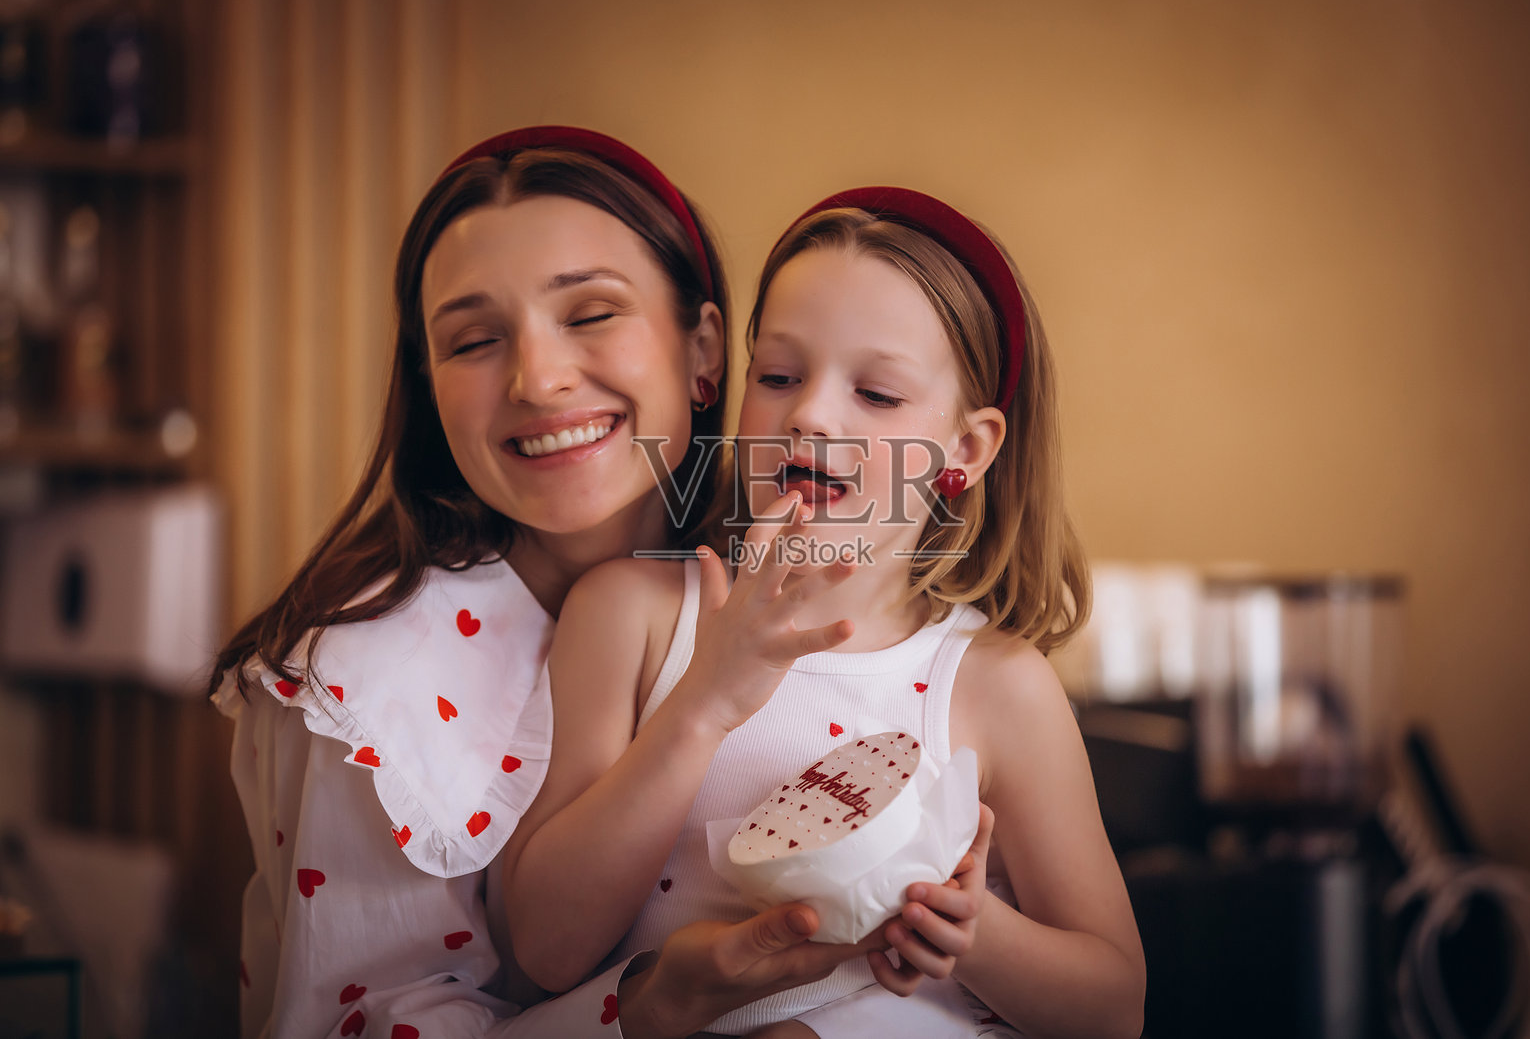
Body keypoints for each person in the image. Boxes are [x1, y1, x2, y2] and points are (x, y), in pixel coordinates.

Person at [210, 127, 892, 1039]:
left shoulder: (780, 597)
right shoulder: (361, 687)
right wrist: (647, 1011)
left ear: (704, 351)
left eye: (590, 313)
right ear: (430, 383)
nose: (538, 378)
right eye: (476, 339)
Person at [505, 187, 1147, 1036]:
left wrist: (971, 930)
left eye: (877, 394)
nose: (808, 412)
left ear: (965, 449)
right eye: (777, 375)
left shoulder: (994, 685)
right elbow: (543, 951)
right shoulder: (634, 616)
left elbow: (1115, 1007)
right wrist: (703, 703)